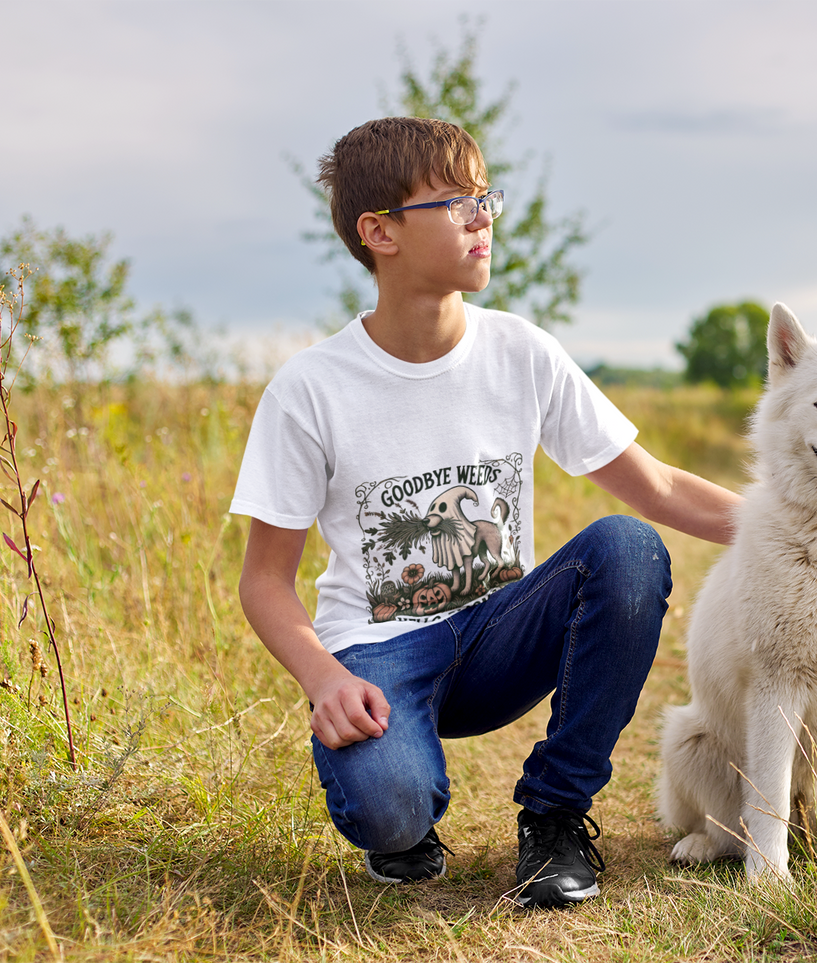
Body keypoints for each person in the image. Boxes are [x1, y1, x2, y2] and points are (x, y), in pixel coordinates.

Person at [232, 117, 740, 910]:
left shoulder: (520, 352)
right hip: (377, 656)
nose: (484, 217)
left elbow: (663, 490)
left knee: (627, 547)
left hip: (500, 638)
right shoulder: (310, 388)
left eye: (486, 196)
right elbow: (265, 582)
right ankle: (405, 817)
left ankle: (555, 816)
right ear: (379, 232)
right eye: (456, 201)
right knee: (390, 810)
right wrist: (324, 678)